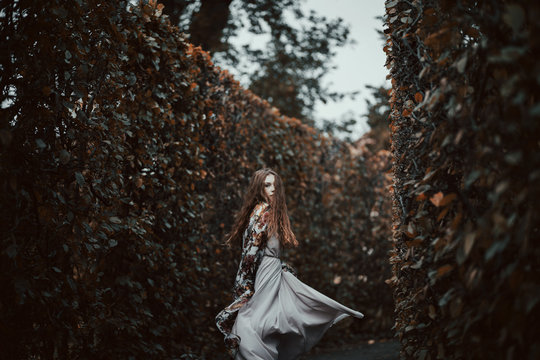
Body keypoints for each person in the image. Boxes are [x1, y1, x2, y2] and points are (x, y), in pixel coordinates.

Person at [215, 168, 364, 359]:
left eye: (276, 185)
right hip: (265, 273)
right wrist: (243, 281)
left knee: (268, 321)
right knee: (257, 321)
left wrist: (280, 267)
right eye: (267, 185)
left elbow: (262, 249)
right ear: (258, 188)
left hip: (273, 272)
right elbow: (250, 251)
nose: (273, 189)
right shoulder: (263, 211)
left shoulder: (271, 212)